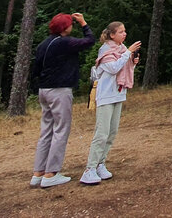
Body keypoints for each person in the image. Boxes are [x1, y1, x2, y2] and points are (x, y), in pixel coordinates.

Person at [30, 12, 95, 188]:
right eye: (70, 24)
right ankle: (51, 174)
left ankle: (38, 173)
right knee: (61, 130)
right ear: (65, 27)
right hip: (59, 90)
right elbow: (89, 41)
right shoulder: (64, 43)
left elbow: (35, 69)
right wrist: (83, 23)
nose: (71, 26)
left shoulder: (43, 44)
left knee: (46, 132)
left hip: (44, 90)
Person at [79, 21, 141, 185]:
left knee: (112, 132)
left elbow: (123, 71)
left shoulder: (121, 50)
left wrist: (132, 64)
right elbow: (113, 68)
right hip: (106, 96)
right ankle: (89, 169)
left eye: (125, 31)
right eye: (121, 32)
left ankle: (100, 164)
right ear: (112, 35)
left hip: (118, 95)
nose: (124, 34)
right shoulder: (106, 50)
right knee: (102, 133)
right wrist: (128, 53)